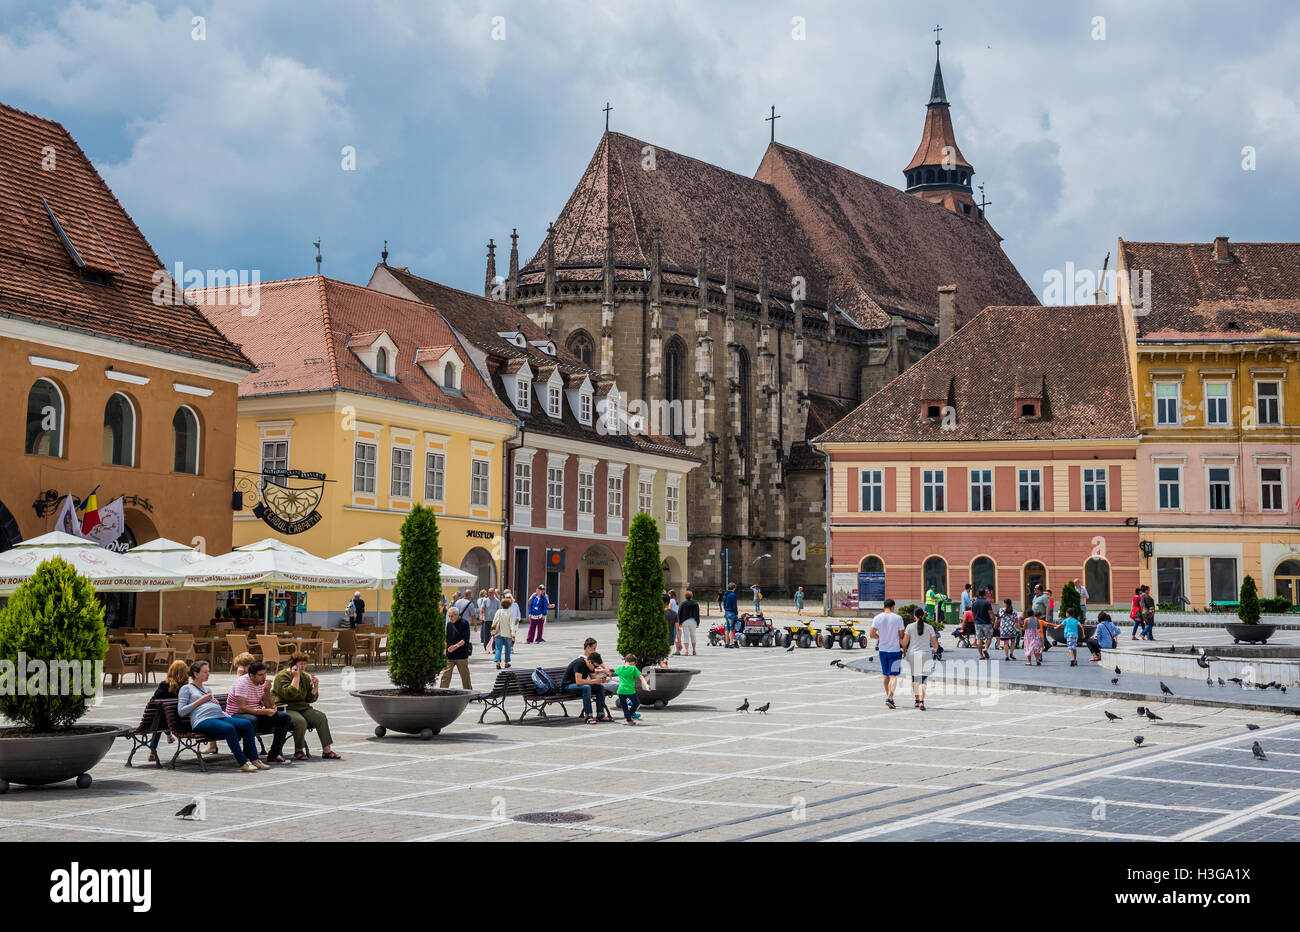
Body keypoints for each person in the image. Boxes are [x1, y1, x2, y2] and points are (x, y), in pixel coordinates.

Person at [179, 661, 265, 773]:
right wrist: (201, 700)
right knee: (229, 728)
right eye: (205, 672)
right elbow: (181, 711)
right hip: (202, 720)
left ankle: (255, 759)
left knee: (247, 724)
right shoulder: (186, 688)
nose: (208, 674)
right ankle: (243, 762)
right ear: (196, 674)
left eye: (208, 671)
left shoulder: (207, 689)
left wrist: (217, 706)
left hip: (219, 716)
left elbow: (212, 705)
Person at [272, 653, 341, 760]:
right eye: (301, 664)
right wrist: (296, 677)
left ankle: (327, 750)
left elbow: (310, 699)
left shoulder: (304, 676)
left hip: (302, 707)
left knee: (320, 717)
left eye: (305, 664)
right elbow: (289, 695)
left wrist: (315, 687)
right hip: (286, 707)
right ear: (293, 665)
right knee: (300, 721)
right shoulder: (282, 676)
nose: (303, 667)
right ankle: (298, 750)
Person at [227, 661, 293, 764]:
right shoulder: (242, 684)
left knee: (284, 717)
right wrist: (263, 712)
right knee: (251, 720)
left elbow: (269, 705)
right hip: (236, 715)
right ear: (251, 676)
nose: (264, 677)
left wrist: (267, 692)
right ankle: (247, 754)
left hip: (255, 713)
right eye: (260, 675)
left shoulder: (263, 683)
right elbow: (241, 708)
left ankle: (274, 755)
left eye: (265, 674)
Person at [146, 660, 191, 763]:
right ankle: (168, 735)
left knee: (160, 720)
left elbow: (153, 701)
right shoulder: (186, 687)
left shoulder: (164, 685)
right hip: (179, 721)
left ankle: (152, 751)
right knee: (166, 718)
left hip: (164, 721)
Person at [868, 598, 907, 710]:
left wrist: (880, 637)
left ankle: (889, 697)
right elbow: (901, 635)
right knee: (893, 676)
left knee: (885, 676)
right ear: (893, 607)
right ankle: (890, 698)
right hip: (895, 650)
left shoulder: (877, 618)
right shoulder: (898, 618)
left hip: (882, 650)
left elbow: (871, 634)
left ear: (884, 606)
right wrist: (904, 649)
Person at [562, 638, 610, 724]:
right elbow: (578, 681)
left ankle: (600, 714)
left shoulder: (590, 665)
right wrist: (594, 681)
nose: (595, 669)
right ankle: (588, 716)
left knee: (600, 687)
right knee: (586, 687)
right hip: (567, 686)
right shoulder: (579, 663)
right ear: (590, 662)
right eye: (595, 667)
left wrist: (601, 681)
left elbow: (594, 678)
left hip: (578, 686)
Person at [901, 608, 940, 711]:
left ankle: (917, 700)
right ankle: (922, 701)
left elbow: (904, 642)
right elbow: (934, 641)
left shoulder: (909, 626)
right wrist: (935, 649)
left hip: (912, 654)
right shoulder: (929, 627)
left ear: (914, 616)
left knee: (915, 678)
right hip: (926, 655)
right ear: (923, 615)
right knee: (923, 679)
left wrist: (904, 651)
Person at [440, 605, 471, 688]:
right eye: (449, 616)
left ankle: (469, 692)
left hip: (461, 655)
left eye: (452, 616)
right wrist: (444, 651)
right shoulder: (449, 624)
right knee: (445, 675)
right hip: (450, 655)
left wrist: (456, 646)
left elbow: (465, 639)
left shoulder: (464, 623)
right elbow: (447, 639)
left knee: (465, 676)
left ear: (457, 615)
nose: (450, 618)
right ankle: (442, 691)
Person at [613, 654, 649, 725]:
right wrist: (646, 685)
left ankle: (628, 719)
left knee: (624, 706)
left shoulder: (620, 668)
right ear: (633, 662)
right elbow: (641, 677)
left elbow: (613, 671)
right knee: (636, 703)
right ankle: (629, 716)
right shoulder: (633, 668)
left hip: (621, 690)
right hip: (630, 690)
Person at [490, 596, 517, 669]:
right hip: (507, 634)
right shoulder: (511, 612)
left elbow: (494, 621)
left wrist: (493, 630)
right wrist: (513, 634)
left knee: (498, 648)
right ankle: (506, 663)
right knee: (508, 649)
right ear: (509, 605)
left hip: (498, 633)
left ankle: (498, 663)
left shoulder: (498, 611)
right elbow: (512, 624)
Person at [971, 586, 994, 661]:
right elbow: (990, 612)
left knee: (979, 639)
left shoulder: (974, 603)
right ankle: (986, 648)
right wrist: (993, 619)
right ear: (984, 594)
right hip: (987, 622)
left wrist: (974, 621)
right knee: (989, 637)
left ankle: (981, 655)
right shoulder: (987, 602)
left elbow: (973, 614)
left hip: (978, 623)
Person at [677, 590, 700, 656]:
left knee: (686, 636)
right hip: (693, 621)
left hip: (685, 621)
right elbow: (697, 614)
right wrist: (697, 623)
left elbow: (679, 613)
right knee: (693, 635)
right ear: (691, 596)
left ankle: (686, 651)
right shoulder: (695, 604)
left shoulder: (683, 604)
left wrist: (679, 622)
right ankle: (694, 650)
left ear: (685, 596)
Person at [480, 587, 501, 651]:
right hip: (487, 620)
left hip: (494, 621)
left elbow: (499, 610)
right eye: (489, 592)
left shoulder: (497, 601)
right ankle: (486, 648)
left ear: (494, 593)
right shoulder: (485, 600)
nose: (489, 594)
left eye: (491, 592)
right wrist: (481, 615)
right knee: (486, 635)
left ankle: (494, 648)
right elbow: (482, 609)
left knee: (494, 635)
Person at [722, 582, 740, 648]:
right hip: (732, 612)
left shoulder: (725, 595)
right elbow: (734, 605)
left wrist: (725, 609)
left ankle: (726, 643)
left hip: (726, 612)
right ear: (734, 588)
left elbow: (723, 604)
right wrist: (736, 613)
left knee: (727, 628)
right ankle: (731, 643)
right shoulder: (733, 595)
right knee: (732, 628)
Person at [663, 594, 678, 665]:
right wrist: (679, 642)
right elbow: (677, 629)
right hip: (670, 639)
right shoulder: (674, 614)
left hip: (660, 639)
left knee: (661, 661)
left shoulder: (657, 613)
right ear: (669, 602)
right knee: (665, 660)